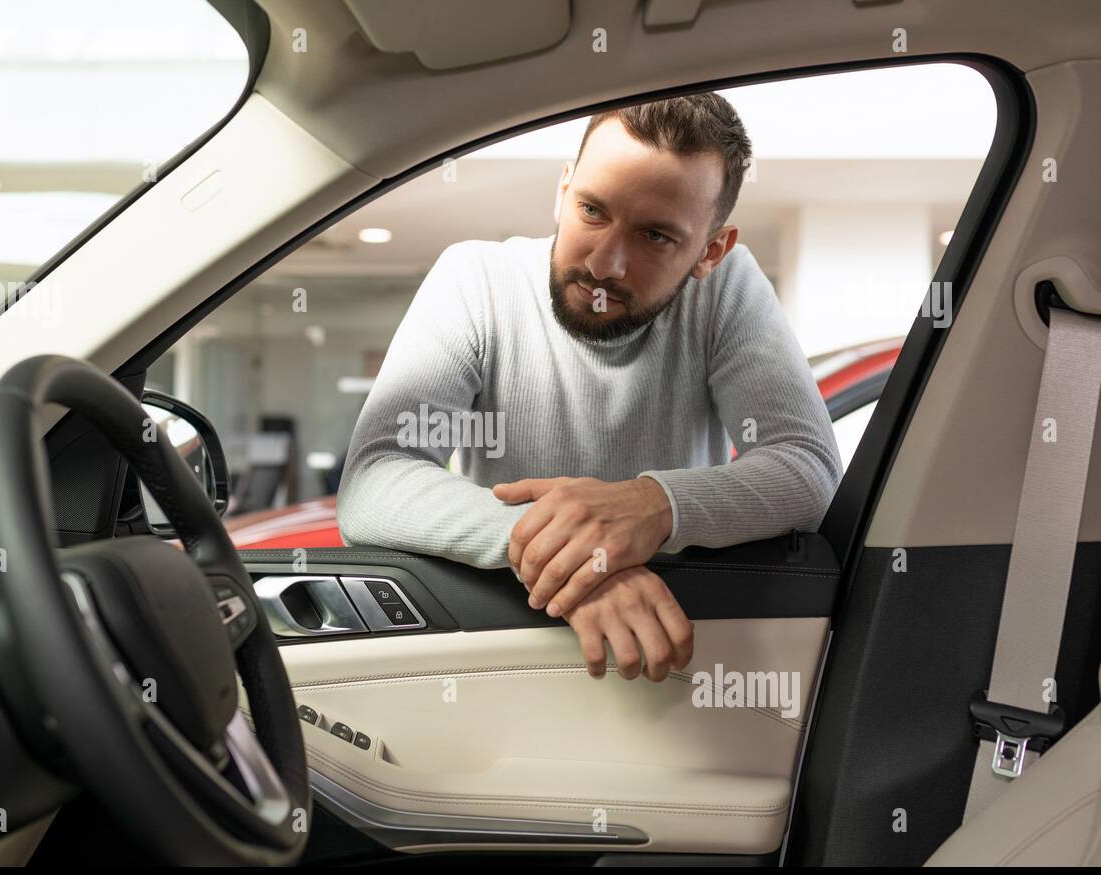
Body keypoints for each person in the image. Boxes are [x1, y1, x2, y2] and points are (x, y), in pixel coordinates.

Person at [337, 93, 841, 682]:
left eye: (655, 236)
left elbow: (807, 468)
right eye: (593, 211)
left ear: (710, 252)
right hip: (500, 642)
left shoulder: (727, 289)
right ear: (562, 190)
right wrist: (585, 555)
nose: (604, 265)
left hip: (671, 654)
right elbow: (375, 478)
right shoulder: (477, 279)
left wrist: (651, 507)